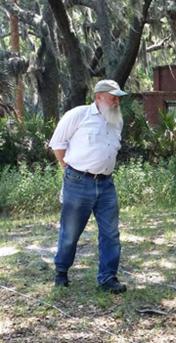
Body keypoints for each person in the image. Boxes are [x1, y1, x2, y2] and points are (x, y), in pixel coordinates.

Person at [49, 80, 128, 293]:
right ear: (99, 97)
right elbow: (57, 144)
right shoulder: (78, 115)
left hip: (106, 184)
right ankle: (61, 272)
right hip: (78, 182)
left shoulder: (116, 121)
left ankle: (108, 278)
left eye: (118, 97)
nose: (117, 101)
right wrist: (68, 168)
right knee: (71, 231)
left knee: (111, 233)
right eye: (113, 97)